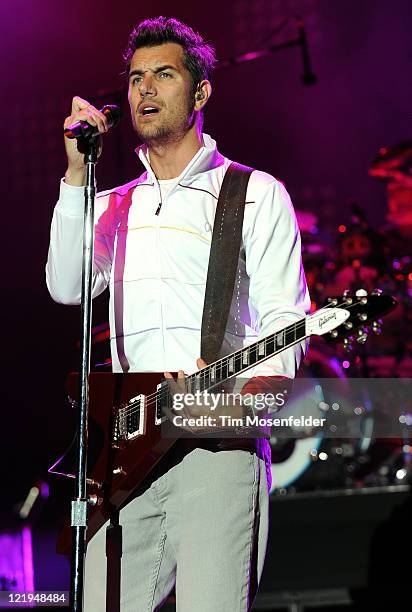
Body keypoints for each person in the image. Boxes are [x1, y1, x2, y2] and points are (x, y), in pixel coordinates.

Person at [46, 16, 310, 612]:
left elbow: (285, 329)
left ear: (201, 91)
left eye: (163, 75)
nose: (144, 89)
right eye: (137, 77)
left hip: (220, 449)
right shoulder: (114, 205)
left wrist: (239, 402)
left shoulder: (254, 194)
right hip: (127, 450)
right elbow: (66, 285)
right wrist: (74, 173)